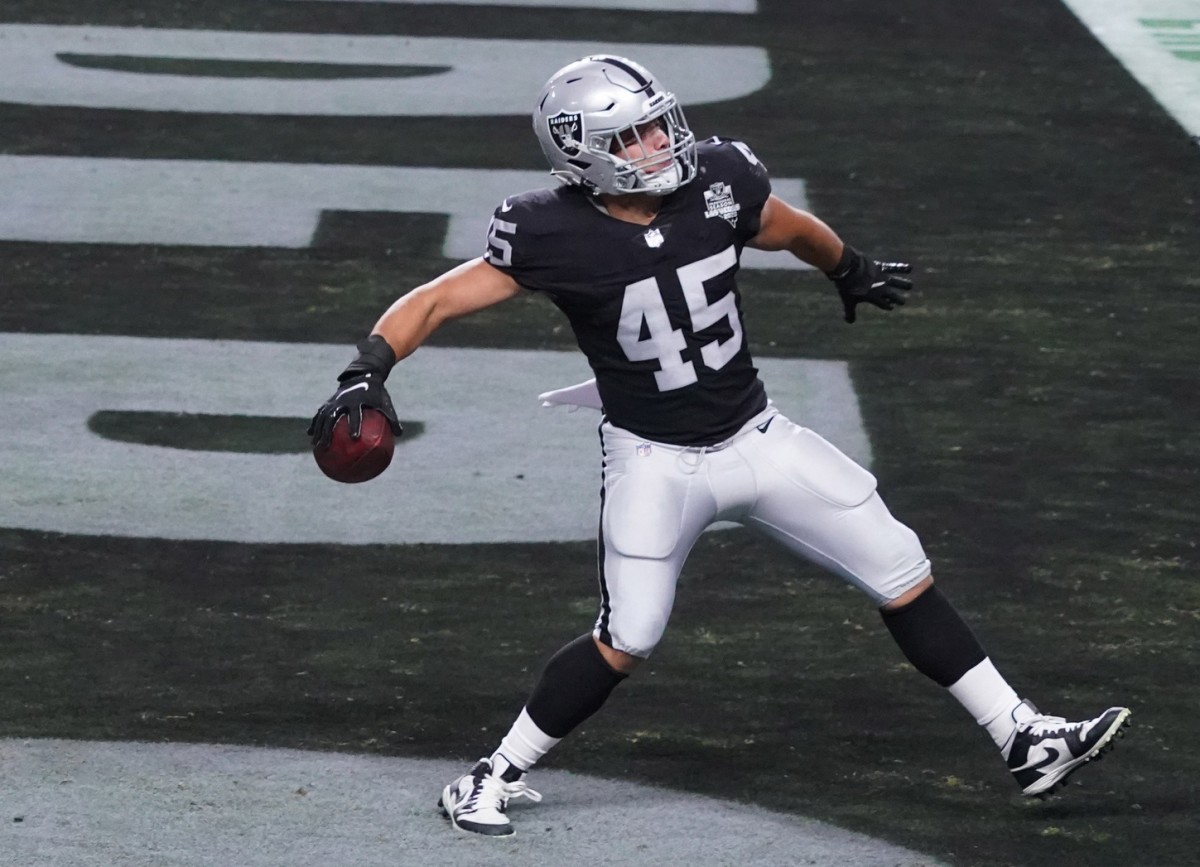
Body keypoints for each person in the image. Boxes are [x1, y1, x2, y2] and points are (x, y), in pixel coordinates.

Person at [308, 55, 1131, 837]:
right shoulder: (547, 231)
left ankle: (1024, 737)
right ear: (583, 154)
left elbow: (784, 225)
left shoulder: (721, 180)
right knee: (630, 635)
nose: (661, 143)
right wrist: (365, 370)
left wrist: (847, 267)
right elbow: (438, 300)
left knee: (902, 567)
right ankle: (494, 771)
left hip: (756, 436)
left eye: (661, 125)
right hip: (656, 460)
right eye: (634, 136)